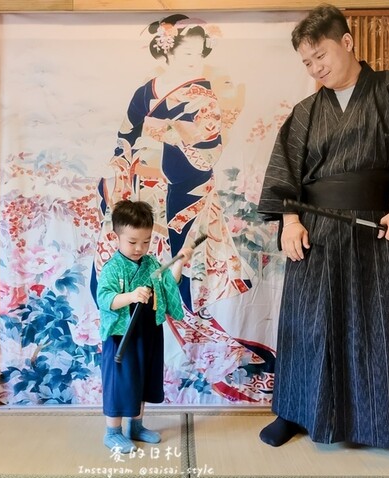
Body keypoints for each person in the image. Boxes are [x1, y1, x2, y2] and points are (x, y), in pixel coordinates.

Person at [256, 4, 389, 460]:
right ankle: (295, 412)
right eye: (306, 62)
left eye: (320, 55)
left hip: (380, 230)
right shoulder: (305, 112)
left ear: (347, 42)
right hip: (318, 235)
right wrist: (289, 221)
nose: (315, 67)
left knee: (386, 325)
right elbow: (285, 173)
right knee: (310, 325)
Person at [91, 14, 267, 403]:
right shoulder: (145, 91)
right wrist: (122, 165)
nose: (193, 56)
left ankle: (199, 342)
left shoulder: (203, 94)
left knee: (181, 268)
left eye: (198, 50)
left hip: (183, 189)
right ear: (166, 49)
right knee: (132, 261)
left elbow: (209, 146)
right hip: (142, 188)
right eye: (184, 49)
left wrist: (166, 132)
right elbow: (125, 137)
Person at [97, 200, 192, 453]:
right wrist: (130, 296)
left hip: (149, 331)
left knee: (142, 378)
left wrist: (180, 262)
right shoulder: (112, 267)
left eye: (146, 241)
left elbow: (168, 286)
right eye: (132, 242)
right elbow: (104, 298)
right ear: (116, 235)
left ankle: (136, 426)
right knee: (120, 382)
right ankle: (112, 432)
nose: (140, 248)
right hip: (122, 335)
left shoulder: (151, 264)